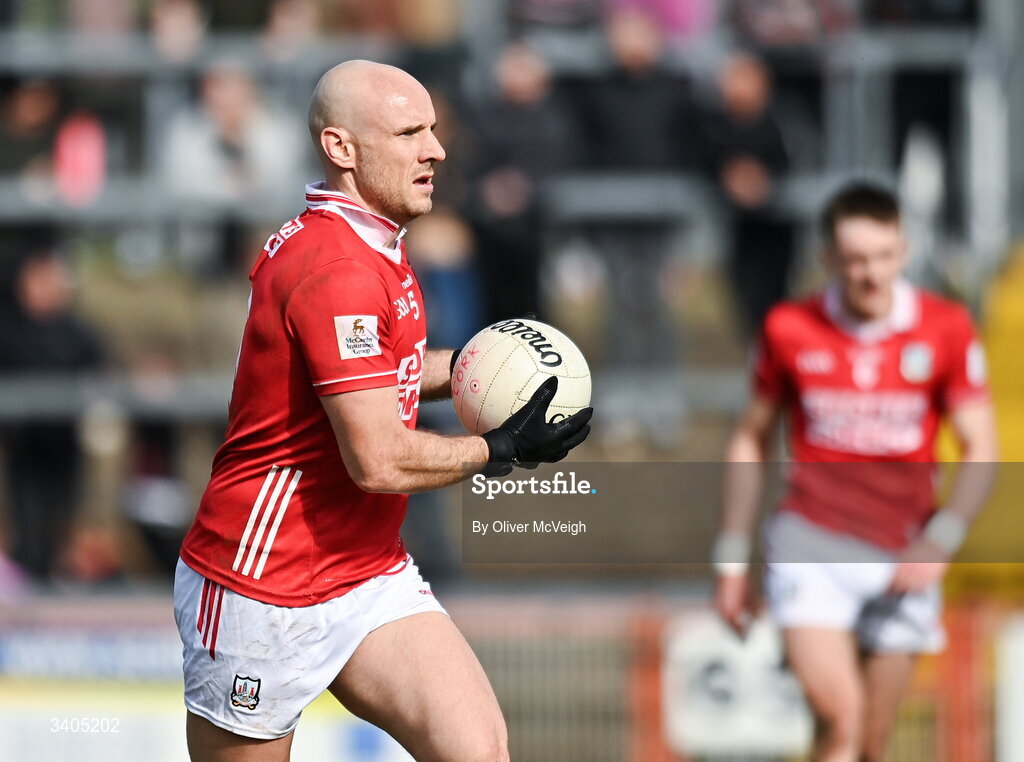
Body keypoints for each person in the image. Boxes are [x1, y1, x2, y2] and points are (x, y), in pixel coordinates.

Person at [173, 60, 592, 762]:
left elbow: (381, 372)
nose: (436, 149)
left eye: (432, 129)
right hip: (264, 585)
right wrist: (499, 449)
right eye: (408, 133)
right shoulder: (338, 269)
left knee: (477, 749)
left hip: (363, 569)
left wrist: (490, 373)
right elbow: (376, 457)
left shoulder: (371, 241)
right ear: (342, 150)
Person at [712, 182, 997, 762]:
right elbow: (751, 437)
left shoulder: (944, 327)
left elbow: (981, 447)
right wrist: (732, 558)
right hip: (810, 544)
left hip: (904, 554)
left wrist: (941, 539)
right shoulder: (790, 327)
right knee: (842, 717)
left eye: (884, 257)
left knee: (869, 742)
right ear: (828, 260)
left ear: (905, 250)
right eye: (856, 260)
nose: (871, 273)